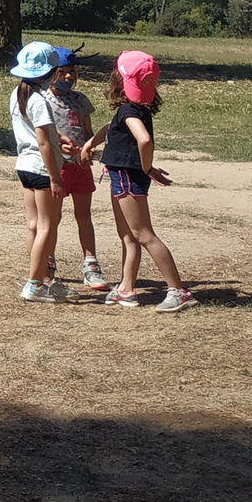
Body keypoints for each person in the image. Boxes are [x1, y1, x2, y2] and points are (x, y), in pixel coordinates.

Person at [84, 51, 196, 312]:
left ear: (118, 79)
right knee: (128, 236)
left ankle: (178, 291)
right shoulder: (134, 109)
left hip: (126, 176)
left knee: (143, 234)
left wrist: (147, 168)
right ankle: (126, 289)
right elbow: (112, 127)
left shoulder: (128, 110)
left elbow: (143, 140)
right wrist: (90, 143)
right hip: (122, 175)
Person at [9, 40, 73, 303]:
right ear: (49, 73)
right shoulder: (39, 101)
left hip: (25, 166)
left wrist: (60, 137)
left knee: (33, 225)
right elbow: (44, 142)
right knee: (48, 225)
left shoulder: (18, 94)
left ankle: (43, 278)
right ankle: (35, 283)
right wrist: (56, 178)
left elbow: (43, 131)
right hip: (42, 169)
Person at [45, 46, 105, 287]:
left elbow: (87, 131)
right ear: (51, 73)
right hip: (57, 167)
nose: (68, 76)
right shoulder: (44, 100)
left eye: (72, 71)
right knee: (53, 217)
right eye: (62, 72)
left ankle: (91, 265)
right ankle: (47, 262)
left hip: (80, 167)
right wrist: (61, 146)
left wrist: (89, 148)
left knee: (84, 216)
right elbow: (43, 135)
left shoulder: (81, 100)